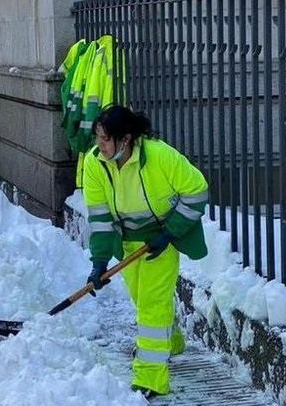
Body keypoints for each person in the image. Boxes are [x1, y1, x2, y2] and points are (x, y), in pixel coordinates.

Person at [82, 105, 208, 399]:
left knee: (152, 304)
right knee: (143, 299)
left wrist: (170, 232)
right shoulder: (94, 163)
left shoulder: (159, 156)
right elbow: (100, 216)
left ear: (125, 139)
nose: (99, 146)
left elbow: (197, 190)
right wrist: (99, 261)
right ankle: (172, 339)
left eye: (105, 139)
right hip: (128, 242)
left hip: (161, 238)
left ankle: (150, 378)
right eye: (97, 138)